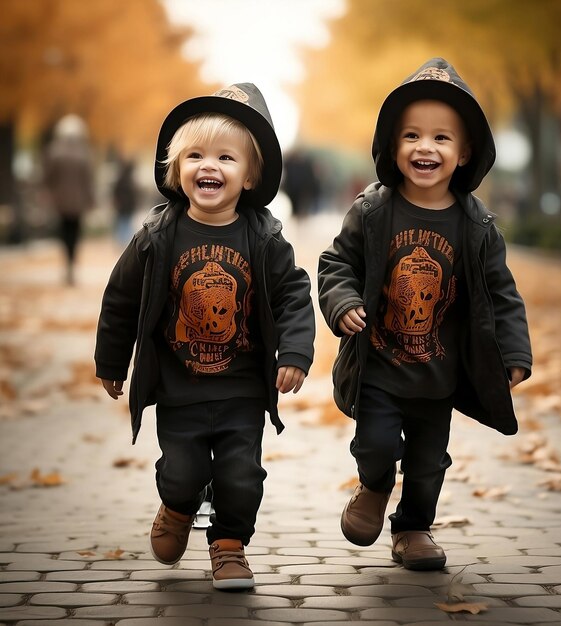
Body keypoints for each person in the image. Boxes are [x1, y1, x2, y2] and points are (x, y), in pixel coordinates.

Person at [94, 83, 315, 590]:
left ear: (250, 175)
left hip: (241, 389)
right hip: (179, 388)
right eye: (194, 155)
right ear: (176, 169)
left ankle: (230, 546)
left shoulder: (263, 238)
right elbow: (121, 298)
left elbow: (293, 297)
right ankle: (175, 507)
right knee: (182, 471)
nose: (208, 165)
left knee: (242, 477)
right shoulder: (156, 236)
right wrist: (112, 362)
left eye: (225, 157)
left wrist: (297, 350)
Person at [317, 58, 532, 571]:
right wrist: (342, 302)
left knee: (427, 464)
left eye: (441, 138)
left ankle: (413, 528)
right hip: (380, 366)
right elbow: (336, 263)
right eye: (411, 135)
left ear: (464, 154)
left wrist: (515, 350)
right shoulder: (372, 212)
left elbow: (502, 293)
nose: (425, 147)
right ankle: (371, 486)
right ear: (393, 147)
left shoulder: (477, 226)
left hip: (441, 374)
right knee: (376, 442)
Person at [42, 114, 95, 285]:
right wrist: (90, 199)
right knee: (75, 232)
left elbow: (48, 177)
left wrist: (48, 193)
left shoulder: (54, 151)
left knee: (64, 232)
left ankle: (67, 262)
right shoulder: (84, 153)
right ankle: (72, 262)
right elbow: (88, 179)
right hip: (78, 202)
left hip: (61, 201)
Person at [111, 157, 140, 246]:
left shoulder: (120, 179)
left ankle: (122, 241)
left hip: (123, 205)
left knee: (123, 222)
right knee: (126, 222)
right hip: (128, 206)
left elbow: (115, 192)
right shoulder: (131, 181)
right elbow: (135, 194)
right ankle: (125, 241)